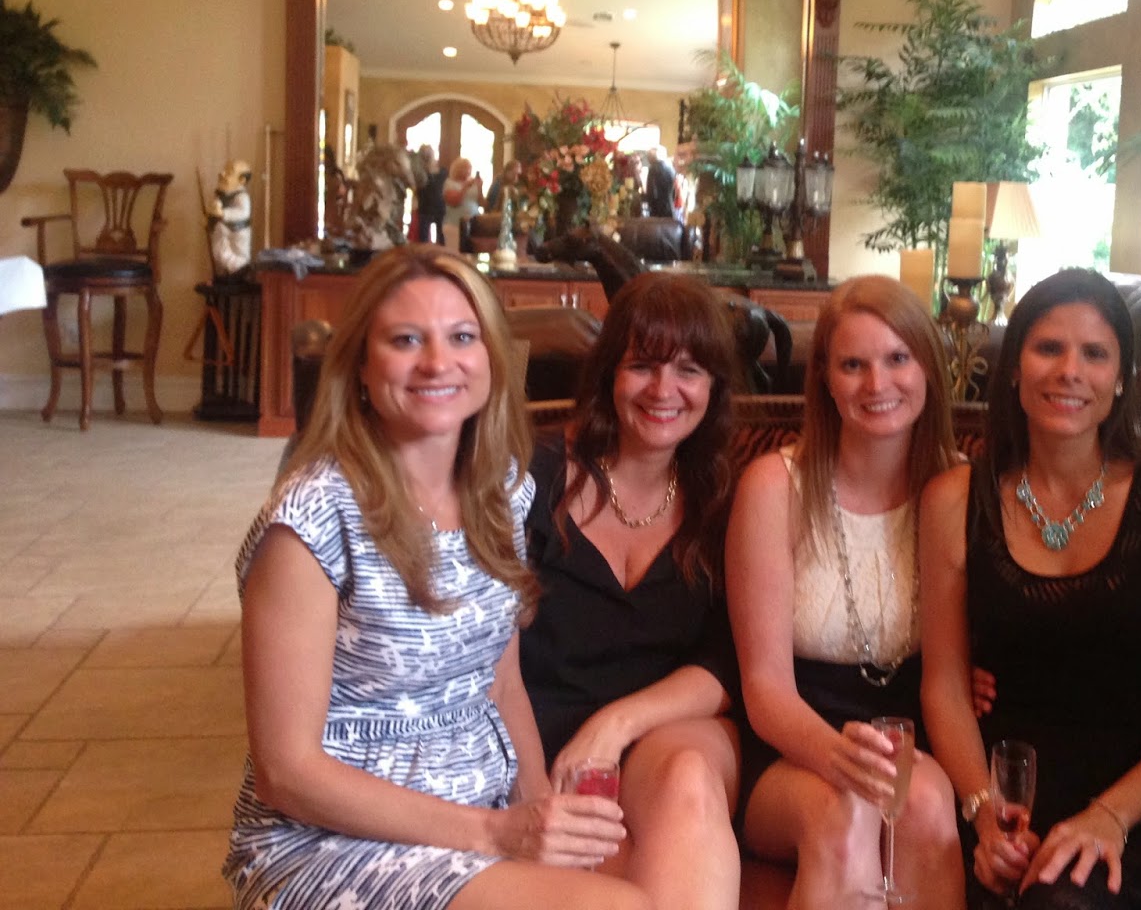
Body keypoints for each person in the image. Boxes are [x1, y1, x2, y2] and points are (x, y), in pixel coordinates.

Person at [223, 245, 645, 910]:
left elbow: (500, 683)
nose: (437, 363)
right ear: (360, 366)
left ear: (492, 359)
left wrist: (540, 816)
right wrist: (494, 833)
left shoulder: (501, 492)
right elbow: (286, 773)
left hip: (478, 815)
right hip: (333, 843)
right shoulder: (311, 520)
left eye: (462, 337)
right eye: (406, 340)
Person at [921, 267, 1141, 909]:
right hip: (1008, 801)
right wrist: (984, 813)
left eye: (1095, 354)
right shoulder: (954, 499)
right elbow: (945, 685)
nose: (1070, 371)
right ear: (1013, 368)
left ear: (1121, 379)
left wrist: (1110, 816)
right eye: (1048, 348)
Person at [727, 274, 966, 909]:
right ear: (826, 381)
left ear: (928, 368)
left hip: (908, 739)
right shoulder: (772, 487)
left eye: (897, 359)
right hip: (790, 744)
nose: (877, 384)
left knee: (927, 807)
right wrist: (842, 758)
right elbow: (765, 690)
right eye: (853, 365)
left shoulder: (960, 489)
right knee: (846, 820)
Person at [519, 271, 745, 910]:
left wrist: (614, 725)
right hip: (540, 744)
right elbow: (487, 656)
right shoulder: (532, 479)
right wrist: (531, 794)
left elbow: (729, 662)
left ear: (713, 388)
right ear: (608, 376)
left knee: (689, 780)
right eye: (642, 365)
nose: (663, 390)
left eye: (689, 370)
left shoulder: (726, 500)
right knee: (615, 868)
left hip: (667, 737)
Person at [443, 156, 484, 252]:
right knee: (455, 251)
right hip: (455, 224)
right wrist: (465, 187)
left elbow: (482, 203)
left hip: (473, 223)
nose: (469, 171)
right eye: (466, 168)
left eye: (470, 168)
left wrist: (480, 187)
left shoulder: (473, 183)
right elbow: (454, 202)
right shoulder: (450, 183)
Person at [414, 144, 447, 244]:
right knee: (424, 239)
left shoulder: (442, 172)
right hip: (427, 208)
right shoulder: (420, 174)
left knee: (440, 237)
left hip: (437, 207)